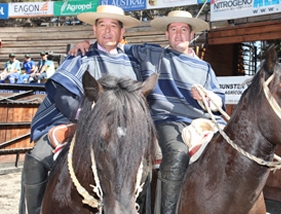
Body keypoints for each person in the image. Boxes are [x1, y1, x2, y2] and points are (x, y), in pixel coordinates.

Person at [71, 10, 226, 214]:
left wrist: (207, 98)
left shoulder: (205, 68)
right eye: (173, 29)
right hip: (168, 120)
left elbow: (219, 101)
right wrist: (87, 43)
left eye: (183, 30)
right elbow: (112, 43)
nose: (178, 34)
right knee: (177, 153)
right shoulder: (151, 54)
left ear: (191, 35)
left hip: (203, 121)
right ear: (166, 34)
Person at [19, 5, 141, 214]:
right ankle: (35, 210)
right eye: (102, 25)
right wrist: (85, 116)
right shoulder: (80, 55)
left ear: (122, 32)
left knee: (150, 164)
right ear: (94, 30)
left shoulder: (132, 63)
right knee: (36, 158)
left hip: (119, 132)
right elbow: (62, 95)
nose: (108, 30)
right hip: (76, 121)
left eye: (113, 26)